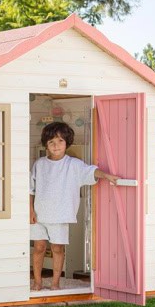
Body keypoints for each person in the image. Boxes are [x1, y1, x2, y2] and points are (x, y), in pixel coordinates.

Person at [30, 122, 119, 291]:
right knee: (38, 248)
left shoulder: (73, 165)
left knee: (57, 248)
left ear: (66, 143)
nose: (56, 145)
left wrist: (106, 175)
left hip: (60, 215)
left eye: (60, 141)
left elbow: (91, 171)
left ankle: (55, 283)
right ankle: (37, 282)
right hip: (38, 214)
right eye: (51, 142)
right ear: (46, 145)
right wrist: (30, 211)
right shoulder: (39, 164)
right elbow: (31, 189)